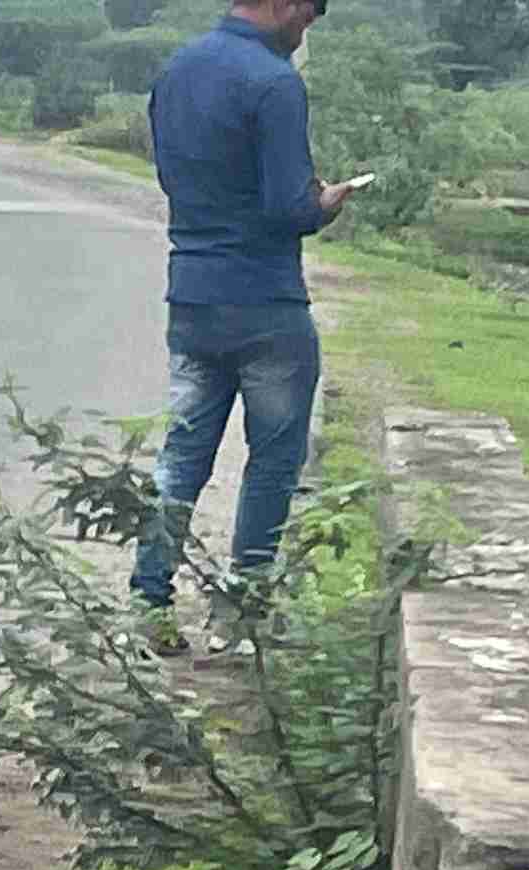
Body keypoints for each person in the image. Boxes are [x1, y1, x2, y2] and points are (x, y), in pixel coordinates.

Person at [131, 0, 358, 648]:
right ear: (285, 5)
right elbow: (290, 208)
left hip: (193, 297)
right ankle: (239, 614)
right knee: (273, 462)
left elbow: (173, 178)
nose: (303, 33)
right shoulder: (275, 83)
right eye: (306, 18)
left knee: (181, 457)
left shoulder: (177, 69)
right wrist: (325, 204)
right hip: (266, 304)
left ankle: (149, 603)